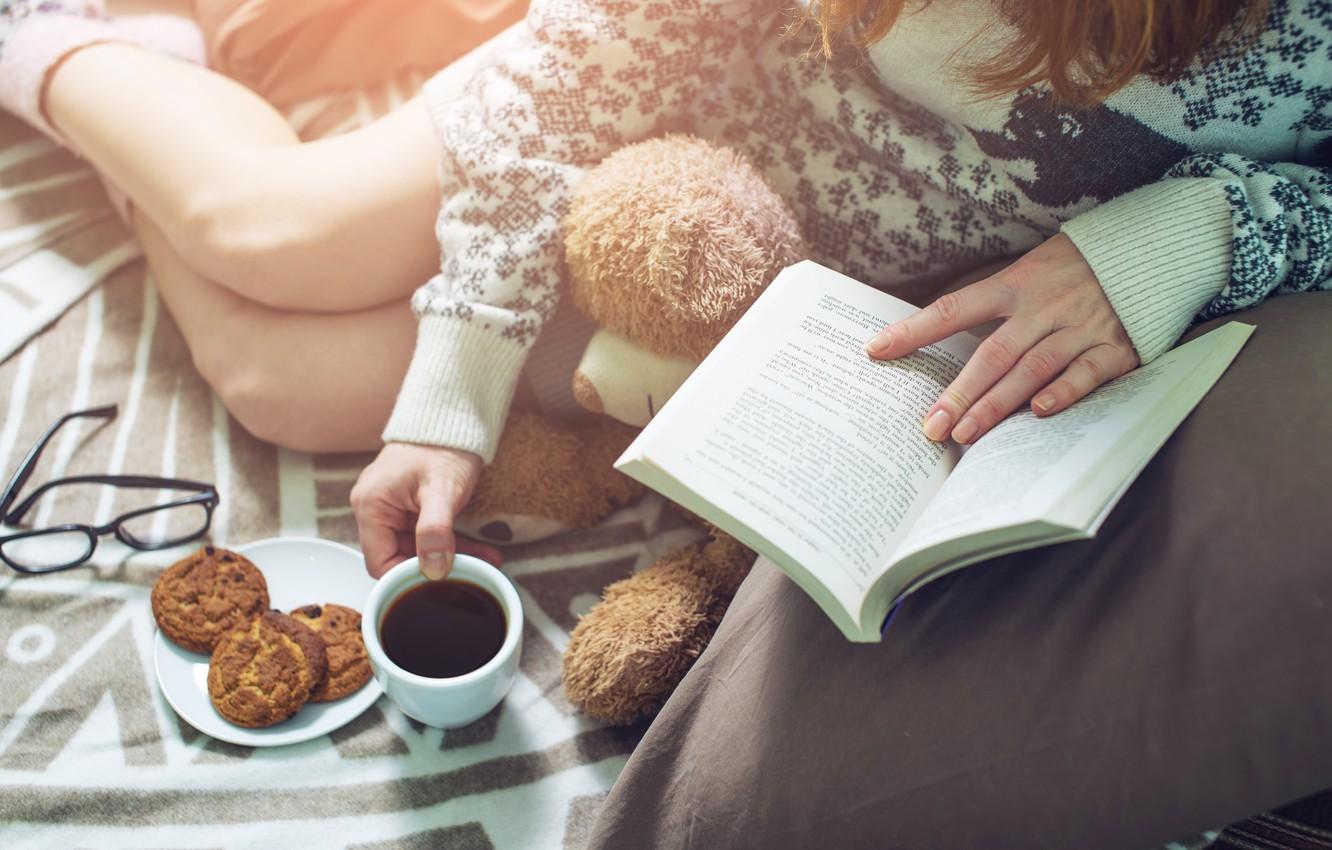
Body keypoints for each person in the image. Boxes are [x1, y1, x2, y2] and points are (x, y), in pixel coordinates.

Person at [2, 0, 1327, 844]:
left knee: (267, 372)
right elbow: (569, 85)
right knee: (268, 234)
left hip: (797, 302)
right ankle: (62, 48)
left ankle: (145, 127)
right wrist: (457, 388)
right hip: (652, 121)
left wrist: (1195, 227)